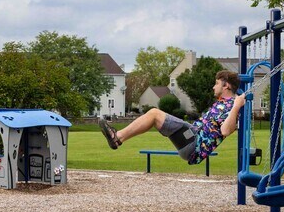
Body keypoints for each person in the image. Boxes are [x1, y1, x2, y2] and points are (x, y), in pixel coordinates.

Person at [99, 70, 246, 165]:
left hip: (194, 143)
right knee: (154, 115)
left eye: (217, 83)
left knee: (154, 114)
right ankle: (117, 138)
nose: (214, 87)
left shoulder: (233, 106)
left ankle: (117, 137)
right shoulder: (223, 103)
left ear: (226, 86)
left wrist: (237, 106)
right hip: (190, 136)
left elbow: (226, 131)